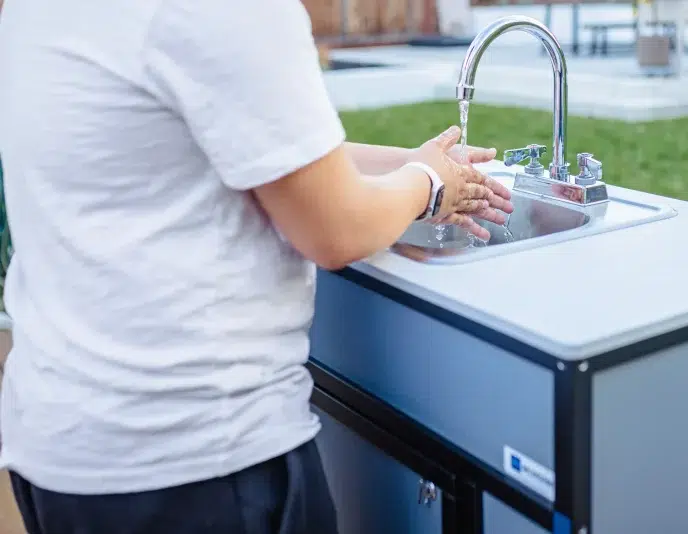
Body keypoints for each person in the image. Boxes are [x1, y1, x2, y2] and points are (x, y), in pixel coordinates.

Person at [0, 0, 513, 532]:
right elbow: (339, 230)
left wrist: (412, 161)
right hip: (193, 459)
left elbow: (244, 141)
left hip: (62, 443)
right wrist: (427, 185)